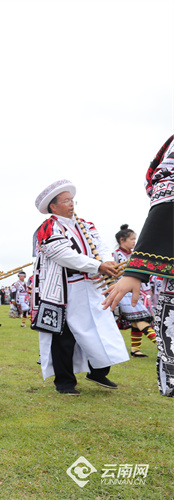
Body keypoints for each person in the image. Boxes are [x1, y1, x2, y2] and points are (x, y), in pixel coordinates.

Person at [31, 180, 128, 395]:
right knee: (64, 336)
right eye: (66, 201)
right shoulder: (48, 228)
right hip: (65, 290)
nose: (71, 204)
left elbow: (101, 246)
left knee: (101, 329)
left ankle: (99, 371)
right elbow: (64, 255)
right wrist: (97, 265)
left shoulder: (85, 224)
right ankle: (65, 382)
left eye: (72, 200)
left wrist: (107, 262)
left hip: (92, 285)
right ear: (53, 207)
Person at [104, 134, 174, 397]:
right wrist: (136, 271)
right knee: (139, 321)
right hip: (136, 291)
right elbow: (168, 195)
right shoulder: (117, 255)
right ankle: (140, 347)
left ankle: (140, 346)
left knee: (140, 321)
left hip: (142, 289)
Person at [112, 225, 156, 357]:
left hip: (136, 293)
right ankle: (162, 345)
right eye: (132, 239)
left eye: (135, 239)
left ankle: (135, 349)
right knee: (141, 319)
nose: (134, 242)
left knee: (137, 320)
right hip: (123, 293)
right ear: (122, 240)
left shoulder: (134, 256)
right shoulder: (115, 256)